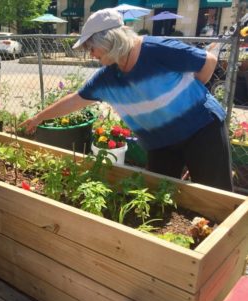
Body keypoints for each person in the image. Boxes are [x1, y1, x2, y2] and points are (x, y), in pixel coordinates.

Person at [20, 8, 233, 191]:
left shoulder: (155, 49)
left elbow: (208, 62)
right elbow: (75, 100)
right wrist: (39, 118)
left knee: (215, 197)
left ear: (108, 39)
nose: (91, 54)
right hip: (161, 143)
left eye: (91, 48)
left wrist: (188, 99)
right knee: (159, 195)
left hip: (202, 129)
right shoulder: (107, 77)